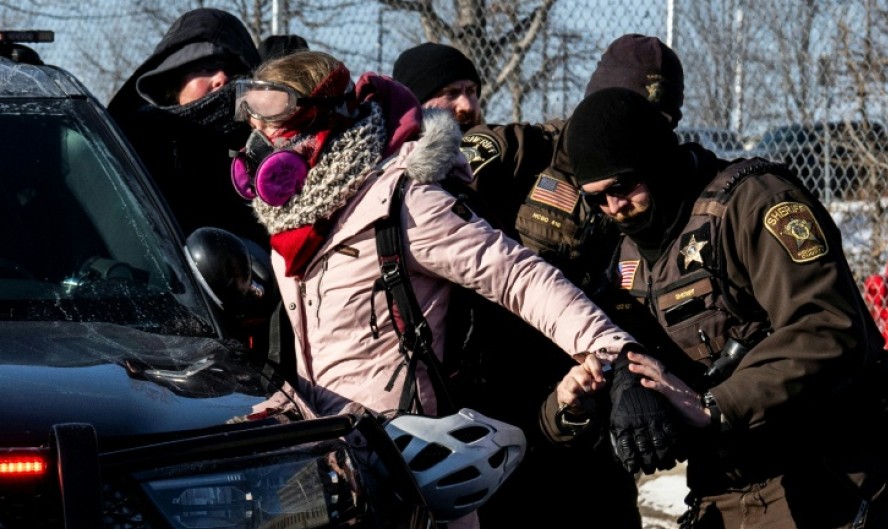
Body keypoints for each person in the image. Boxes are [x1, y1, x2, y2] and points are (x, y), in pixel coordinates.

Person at [229, 50, 659, 529]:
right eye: (256, 138)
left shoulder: (405, 203)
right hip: (336, 478)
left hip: (413, 482)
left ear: (320, 133)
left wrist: (616, 353)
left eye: (274, 139)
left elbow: (521, 277)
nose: (259, 154)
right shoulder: (295, 227)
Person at [542, 86, 888, 529]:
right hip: (731, 476)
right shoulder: (627, 254)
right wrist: (583, 400)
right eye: (596, 198)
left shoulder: (754, 204)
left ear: (656, 160)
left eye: (624, 186)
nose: (615, 208)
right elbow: (617, 350)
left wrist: (715, 405)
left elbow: (828, 327)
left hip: (828, 463)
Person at [459, 34, 686, 529]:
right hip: (506, 408)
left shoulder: (674, 192)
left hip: (602, 409)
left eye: (656, 128)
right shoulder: (521, 154)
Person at [107, 7, 268, 247]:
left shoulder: (266, 148)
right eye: (204, 68)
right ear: (173, 80)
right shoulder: (135, 150)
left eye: (233, 70)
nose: (221, 78)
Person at [392, 42, 483, 131]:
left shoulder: (493, 141)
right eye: (452, 93)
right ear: (418, 105)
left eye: (470, 91)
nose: (467, 106)